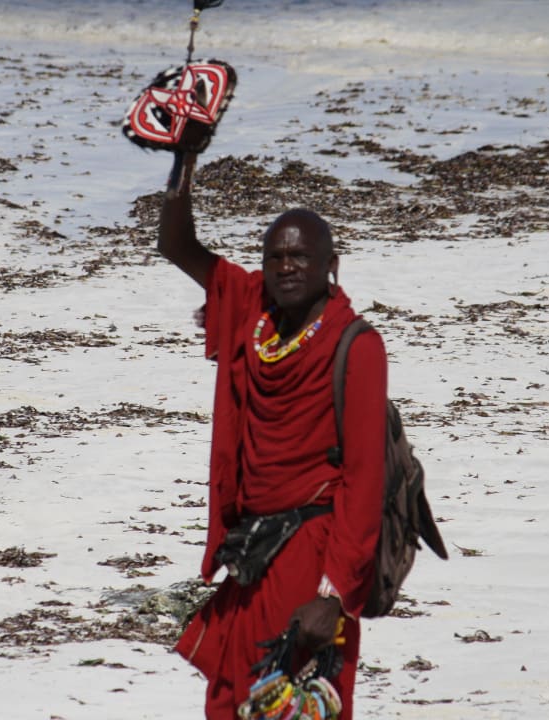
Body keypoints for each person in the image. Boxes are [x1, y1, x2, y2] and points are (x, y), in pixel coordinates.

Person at [156, 148, 387, 720]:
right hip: (252, 553)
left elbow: (364, 481)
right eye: (276, 257)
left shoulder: (356, 345)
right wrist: (184, 156)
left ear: (331, 265)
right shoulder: (251, 310)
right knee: (232, 702)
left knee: (288, 706)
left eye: (301, 257)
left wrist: (333, 599)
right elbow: (176, 246)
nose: (287, 267)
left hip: (312, 557)